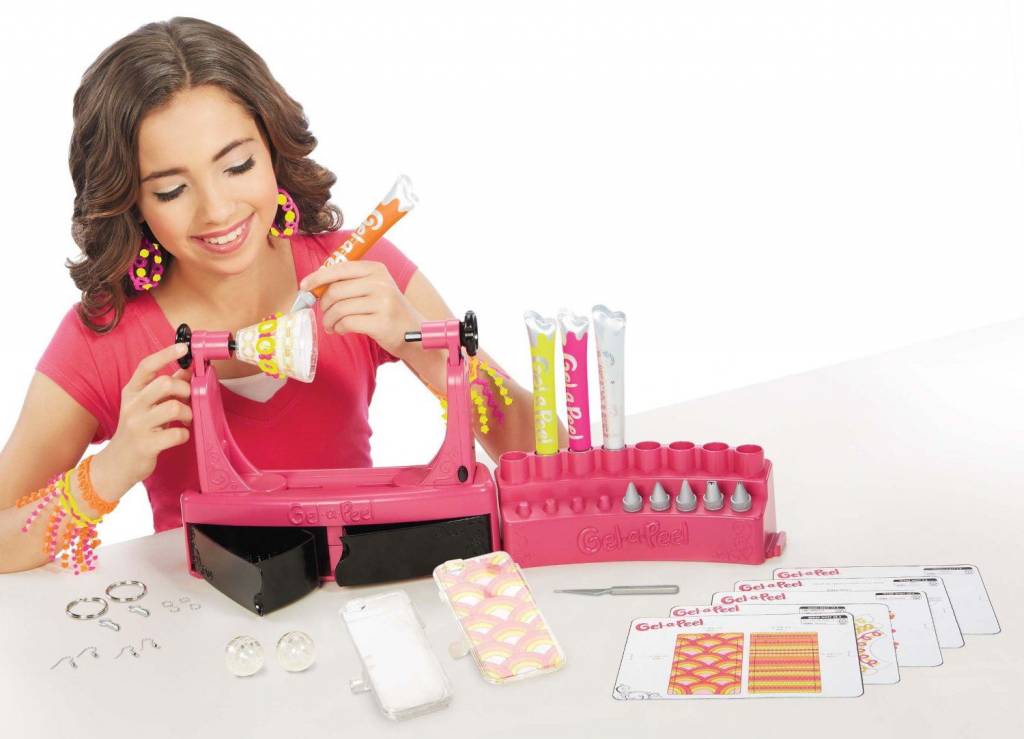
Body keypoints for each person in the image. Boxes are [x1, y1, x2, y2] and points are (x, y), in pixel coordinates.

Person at [0, 17, 560, 574]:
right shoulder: (106, 336)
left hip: (360, 596)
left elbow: (548, 460)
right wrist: (110, 471)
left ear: (271, 148)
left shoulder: (357, 268)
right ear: (133, 202)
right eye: (171, 190)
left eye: (237, 165)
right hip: (202, 615)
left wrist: (423, 345)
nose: (217, 210)